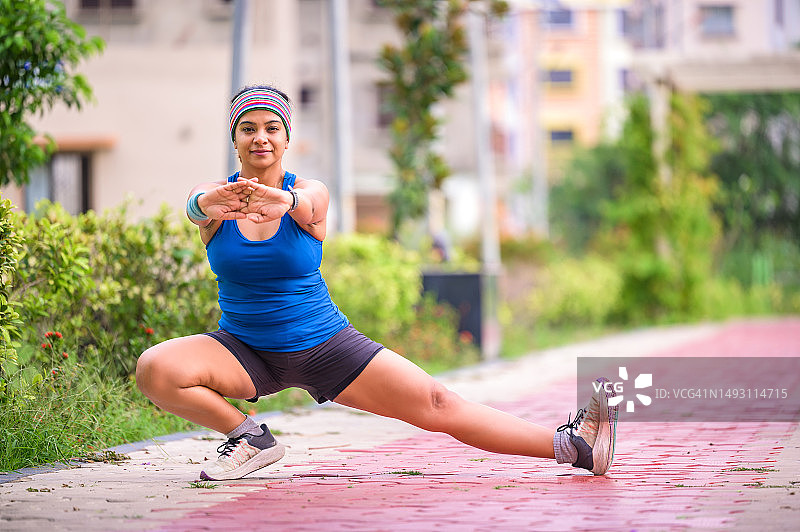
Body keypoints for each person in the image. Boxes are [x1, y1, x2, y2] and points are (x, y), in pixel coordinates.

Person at [135, 85, 619, 481]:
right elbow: (194, 206)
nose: (260, 138)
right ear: (235, 140)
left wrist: (280, 202)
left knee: (437, 403)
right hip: (244, 348)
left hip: (325, 344)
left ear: (286, 139)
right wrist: (206, 200)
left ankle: (572, 445)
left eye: (272, 129)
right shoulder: (220, 205)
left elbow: (309, 206)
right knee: (155, 368)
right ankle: (249, 438)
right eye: (248, 129)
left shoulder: (307, 193)